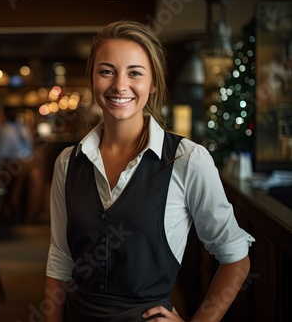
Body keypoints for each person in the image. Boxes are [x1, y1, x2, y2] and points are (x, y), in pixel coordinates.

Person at [45, 20, 255, 322]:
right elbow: (60, 259)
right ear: (92, 78)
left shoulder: (188, 159)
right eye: (107, 71)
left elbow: (236, 258)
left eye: (135, 73)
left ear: (153, 82)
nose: (119, 85)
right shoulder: (68, 162)